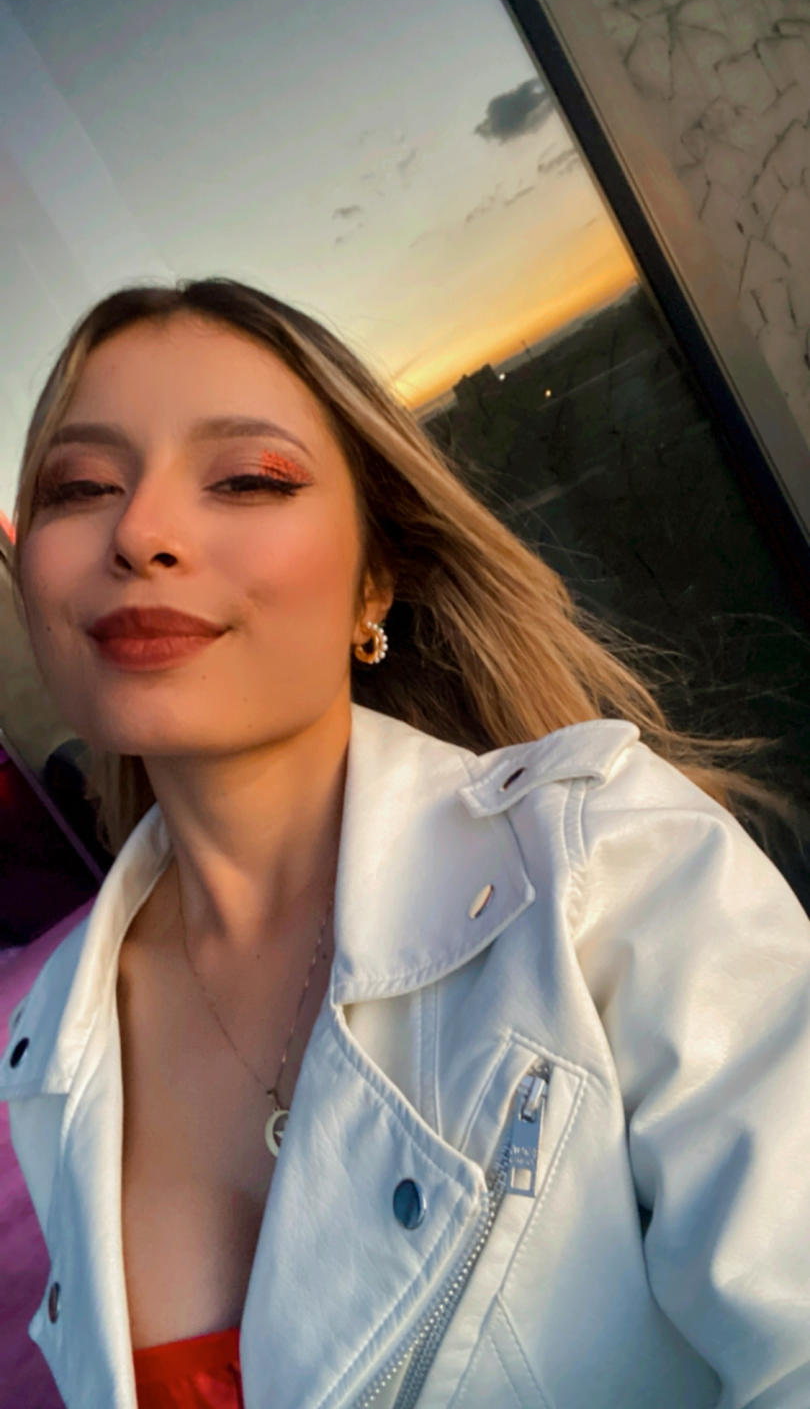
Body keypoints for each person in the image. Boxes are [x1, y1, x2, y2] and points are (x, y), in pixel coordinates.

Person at [1, 276, 809, 1409]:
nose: (140, 532)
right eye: (81, 488)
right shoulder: (53, 1036)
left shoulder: (609, 872)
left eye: (248, 478)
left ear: (373, 583)